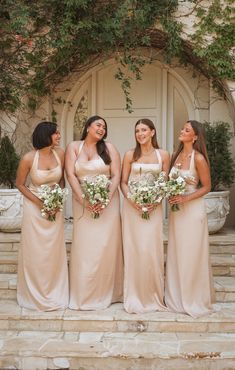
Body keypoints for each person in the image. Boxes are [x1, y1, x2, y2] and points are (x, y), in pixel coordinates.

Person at [65, 115, 123, 310]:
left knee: (105, 247)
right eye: (98, 125)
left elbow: (116, 176)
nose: (102, 129)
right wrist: (83, 199)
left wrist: (105, 199)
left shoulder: (110, 148)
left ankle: (107, 291)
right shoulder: (74, 146)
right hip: (82, 203)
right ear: (88, 126)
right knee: (85, 248)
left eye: (104, 127)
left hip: (108, 204)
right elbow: (70, 174)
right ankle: (84, 293)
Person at [16, 121, 69, 311]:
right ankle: (34, 292)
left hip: (55, 209)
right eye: (56, 133)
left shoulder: (61, 154)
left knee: (53, 251)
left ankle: (55, 290)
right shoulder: (29, 158)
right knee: (36, 251)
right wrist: (40, 203)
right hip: (34, 210)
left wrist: (57, 200)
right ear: (45, 135)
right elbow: (20, 184)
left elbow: (62, 180)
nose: (59, 136)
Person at [165, 120, 215, 318]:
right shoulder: (175, 156)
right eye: (182, 128)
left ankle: (194, 297)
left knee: (192, 253)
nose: (182, 131)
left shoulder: (199, 158)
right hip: (177, 212)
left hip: (193, 211)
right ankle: (177, 296)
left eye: (186, 130)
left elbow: (206, 187)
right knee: (178, 252)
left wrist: (185, 197)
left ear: (194, 137)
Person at [121, 118, 170, 313]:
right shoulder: (129, 155)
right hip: (132, 208)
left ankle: (152, 294)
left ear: (152, 132)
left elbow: (165, 182)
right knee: (134, 249)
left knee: (151, 250)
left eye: (143, 130)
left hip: (154, 208)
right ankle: (133, 294)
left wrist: (156, 202)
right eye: (137, 131)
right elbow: (123, 182)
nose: (140, 134)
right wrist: (132, 200)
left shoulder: (164, 155)